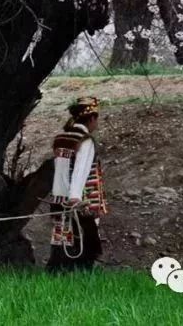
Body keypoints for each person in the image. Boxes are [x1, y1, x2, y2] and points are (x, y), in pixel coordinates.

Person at [47, 96, 108, 272]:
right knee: (83, 237)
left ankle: (57, 271)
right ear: (92, 118)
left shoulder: (61, 138)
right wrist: (75, 198)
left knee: (61, 236)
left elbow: (60, 169)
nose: (97, 123)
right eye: (97, 119)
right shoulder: (85, 140)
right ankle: (80, 272)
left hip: (59, 196)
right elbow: (80, 171)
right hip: (82, 198)